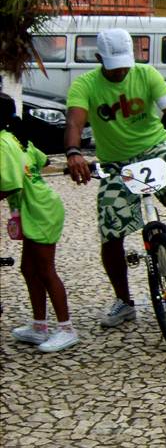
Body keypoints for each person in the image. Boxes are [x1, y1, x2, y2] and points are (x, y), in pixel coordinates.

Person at [65, 28, 166, 328]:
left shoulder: (146, 74)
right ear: (99, 58)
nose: (120, 71)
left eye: (124, 64)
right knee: (110, 230)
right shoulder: (85, 84)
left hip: (155, 149)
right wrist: (74, 152)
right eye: (114, 65)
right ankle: (124, 301)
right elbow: (75, 120)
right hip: (116, 162)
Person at [1, 94, 77, 352]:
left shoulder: (3, 143)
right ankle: (39, 326)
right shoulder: (18, 139)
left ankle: (66, 329)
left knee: (45, 271)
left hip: (40, 210)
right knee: (29, 269)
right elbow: (42, 161)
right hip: (38, 207)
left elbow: (10, 183)